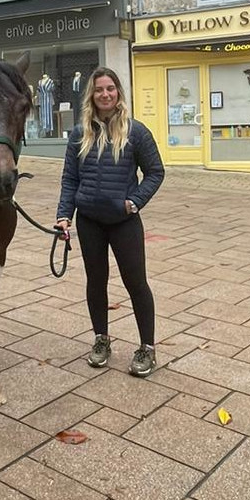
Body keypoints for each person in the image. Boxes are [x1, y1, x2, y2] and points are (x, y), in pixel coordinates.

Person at [55, 68, 165, 377]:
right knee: (96, 282)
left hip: (123, 221)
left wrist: (135, 201)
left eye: (110, 89)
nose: (105, 94)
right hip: (89, 221)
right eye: (99, 89)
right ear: (91, 95)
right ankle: (101, 339)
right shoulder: (79, 134)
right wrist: (64, 215)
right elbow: (70, 179)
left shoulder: (136, 132)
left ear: (118, 93)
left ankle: (147, 348)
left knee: (136, 283)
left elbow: (155, 171)